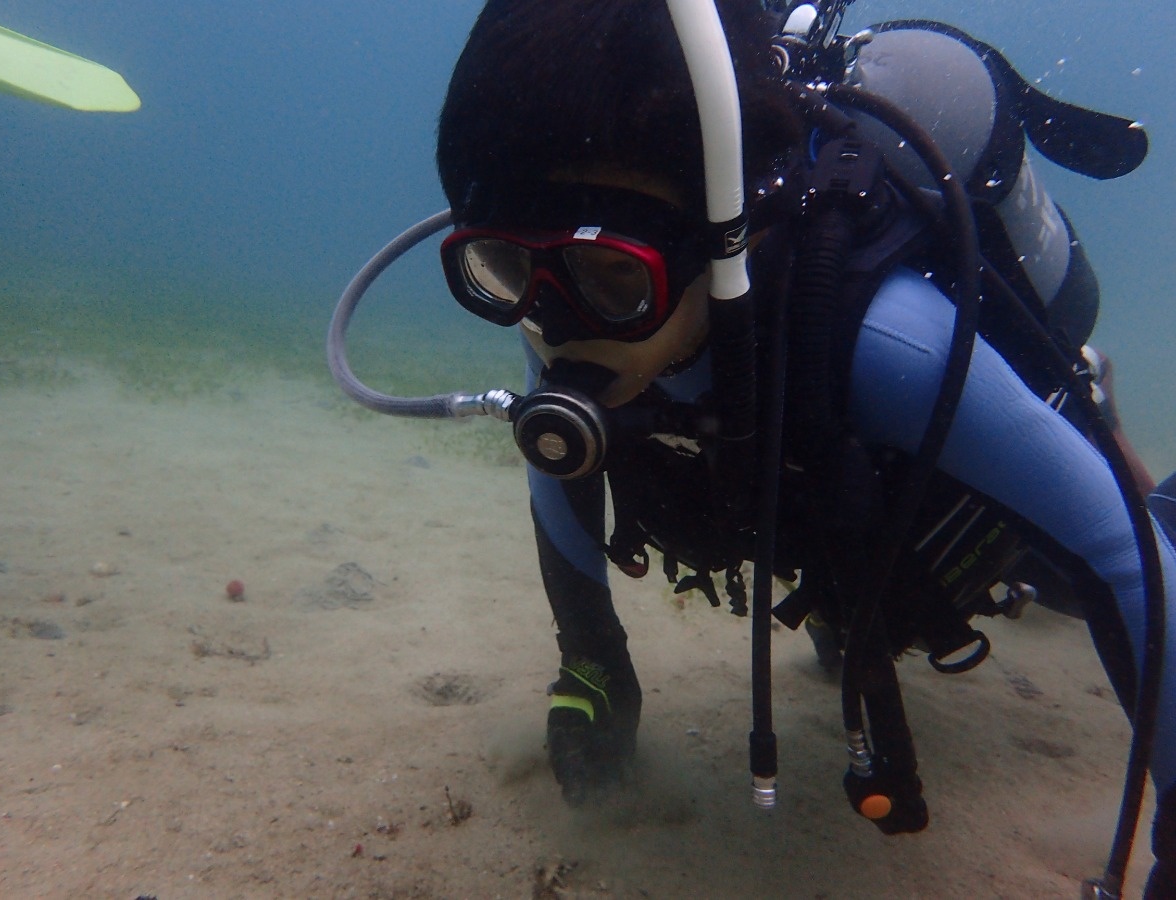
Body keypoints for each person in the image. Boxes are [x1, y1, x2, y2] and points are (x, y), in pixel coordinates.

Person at [427, 0, 1175, 894]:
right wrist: (592, 663)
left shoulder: (885, 343)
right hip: (804, 473)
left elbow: (1124, 556)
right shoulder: (576, 301)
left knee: (1068, 567)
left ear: (722, 239)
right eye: (507, 270)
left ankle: (1084, 403)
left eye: (615, 276)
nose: (552, 324)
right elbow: (562, 477)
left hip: (923, 471)